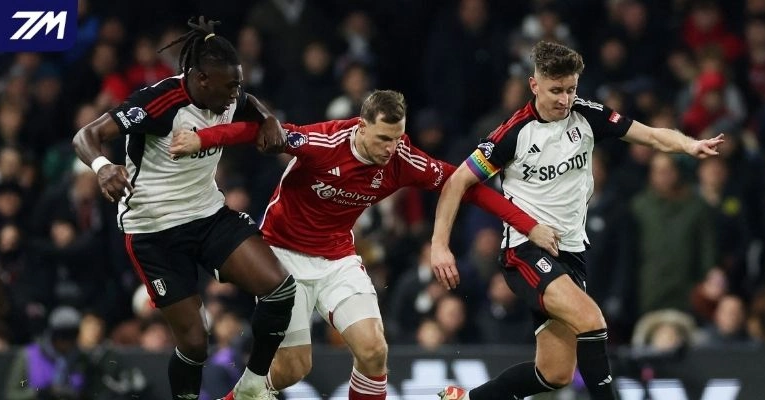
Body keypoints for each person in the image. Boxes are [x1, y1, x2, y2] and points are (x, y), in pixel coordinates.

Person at [169, 89, 560, 400]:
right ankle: (243, 396)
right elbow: (257, 132)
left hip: (337, 256)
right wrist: (201, 139)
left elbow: (465, 185)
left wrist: (529, 225)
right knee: (293, 369)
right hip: (282, 258)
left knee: (374, 351)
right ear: (361, 126)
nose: (390, 147)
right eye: (382, 138)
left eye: (397, 137)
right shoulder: (323, 143)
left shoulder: (401, 159)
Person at [430, 41, 725, 400]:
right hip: (524, 251)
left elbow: (648, 135)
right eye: (556, 90)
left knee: (555, 374)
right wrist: (440, 245)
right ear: (534, 85)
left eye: (571, 90)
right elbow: (457, 181)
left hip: (570, 252)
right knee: (592, 320)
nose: (564, 99)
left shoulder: (588, 115)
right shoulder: (512, 134)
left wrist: (689, 145)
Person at [71, 17, 296, 400]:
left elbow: (249, 103)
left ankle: (254, 386)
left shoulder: (225, 94)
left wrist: (268, 118)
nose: (235, 94)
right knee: (195, 344)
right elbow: (86, 135)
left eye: (238, 84)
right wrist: (103, 166)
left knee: (280, 290)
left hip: (207, 214)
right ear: (201, 79)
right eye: (229, 86)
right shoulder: (159, 103)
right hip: (153, 230)